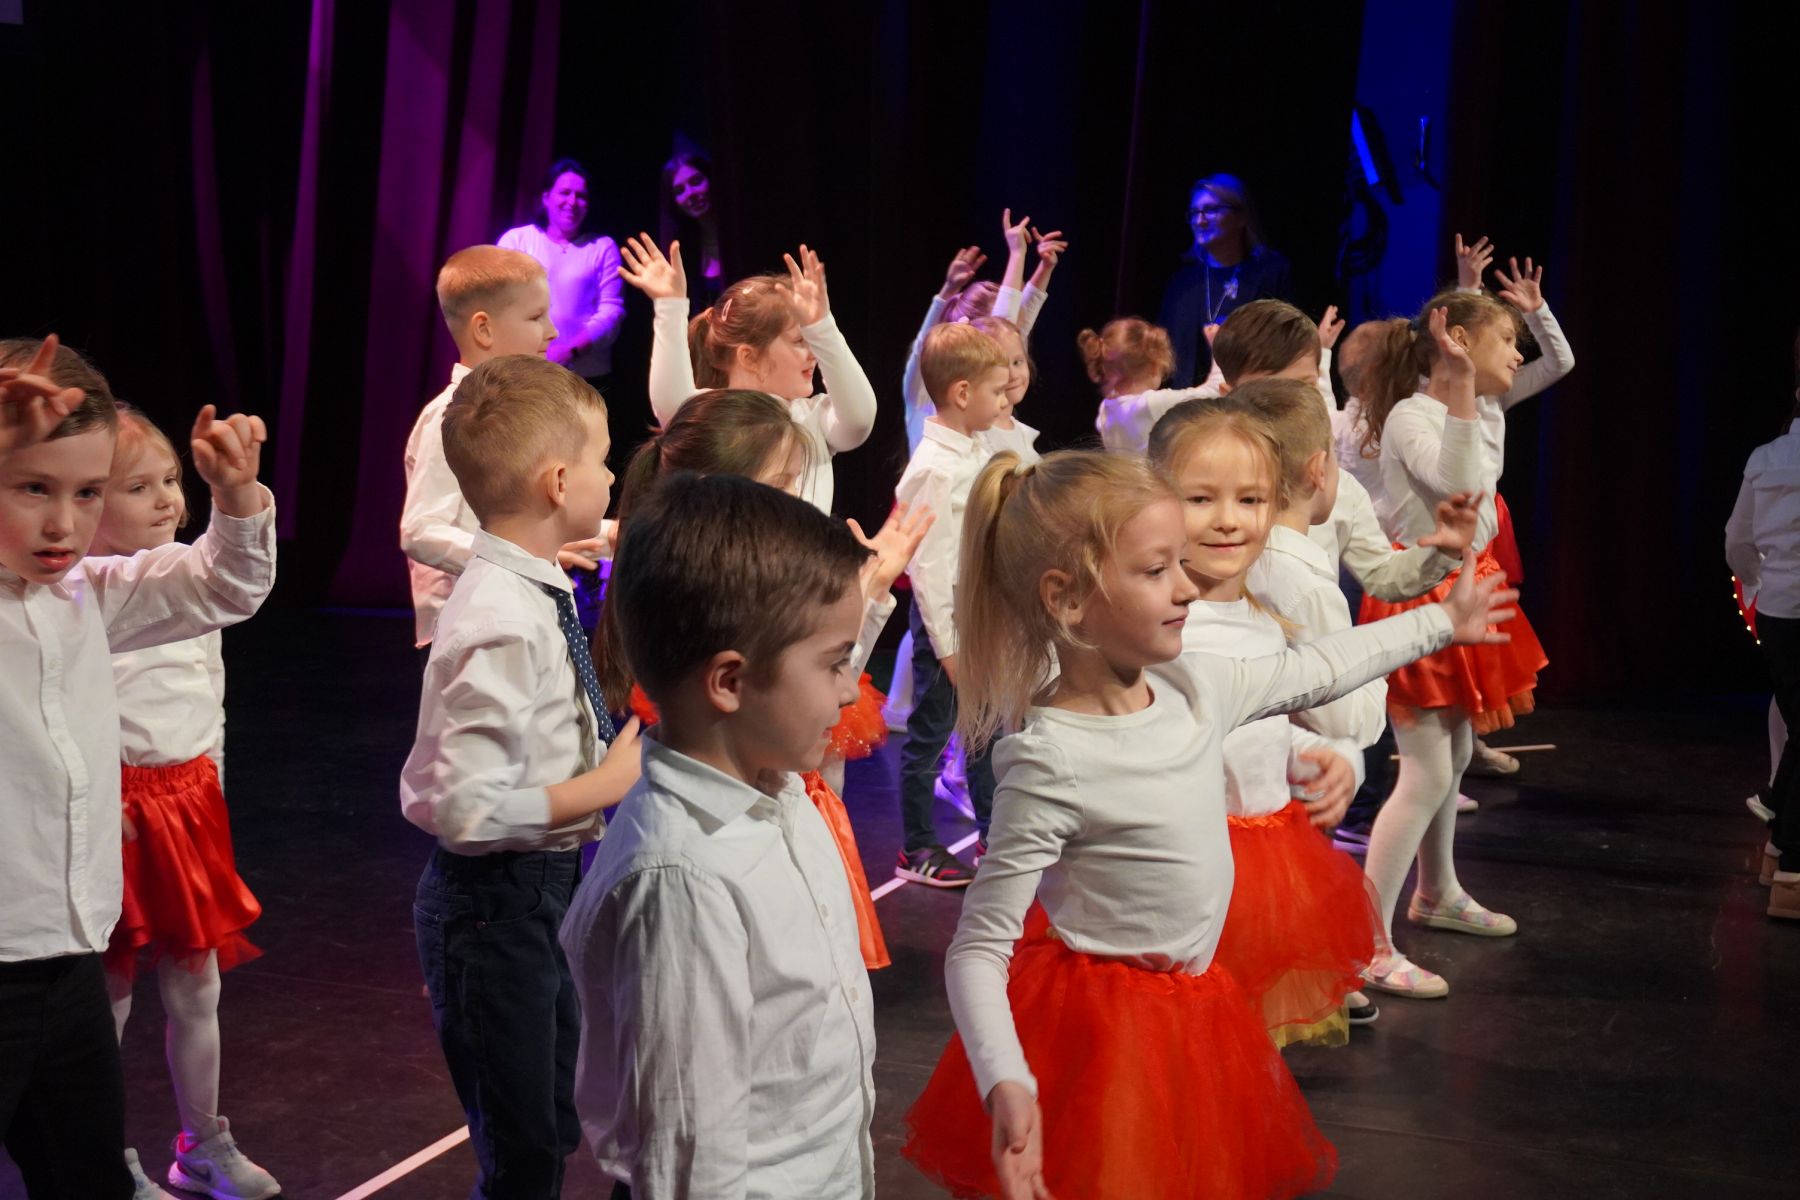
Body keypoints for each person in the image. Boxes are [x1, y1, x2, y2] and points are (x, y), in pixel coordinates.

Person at [899, 450, 1515, 1199]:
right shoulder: (1050, 759)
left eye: (1180, 564)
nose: (1189, 587)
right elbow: (978, 948)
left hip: (1196, 1011)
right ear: (1066, 598)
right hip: (1107, 1037)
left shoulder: (1195, 686)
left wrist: (1442, 621)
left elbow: (1324, 666)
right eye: (1156, 570)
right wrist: (1007, 1076)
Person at [1, 336, 276, 1200]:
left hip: (71, 952)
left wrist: (236, 496)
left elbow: (224, 586)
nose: (64, 523)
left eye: (86, 493)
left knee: (84, 1174)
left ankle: (197, 1143)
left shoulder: (90, 594)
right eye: (33, 489)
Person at [563, 473, 884, 1198]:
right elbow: (690, 1157)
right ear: (730, 682)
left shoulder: (782, 789)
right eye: (835, 663)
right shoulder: (683, 881)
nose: (848, 690)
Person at [400, 355, 644, 1197]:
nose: (611, 477)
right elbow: (468, 810)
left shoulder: (530, 583)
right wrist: (604, 784)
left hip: (540, 888)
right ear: (557, 483)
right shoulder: (500, 617)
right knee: (523, 1149)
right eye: (604, 460)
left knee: (550, 1118)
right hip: (493, 904)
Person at [592, 387, 936, 967]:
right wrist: (867, 596)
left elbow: (818, 680)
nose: (797, 500)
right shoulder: (717, 602)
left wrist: (871, 593)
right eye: (782, 484)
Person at [1146, 395, 1379, 1048]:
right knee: (1184, 1038)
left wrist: (1323, 753)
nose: (1228, 520)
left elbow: (1255, 724)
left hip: (1266, 868)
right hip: (1182, 872)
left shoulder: (1263, 617)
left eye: (1249, 500)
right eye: (1200, 499)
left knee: (1243, 1042)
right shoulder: (1156, 630)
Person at [93, 405, 280, 1200]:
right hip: (114, 816)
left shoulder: (181, 577)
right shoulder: (81, 591)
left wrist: (213, 790)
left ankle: (202, 1142)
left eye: (171, 480)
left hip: (189, 804)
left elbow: (209, 695)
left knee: (198, 986)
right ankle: (102, 1157)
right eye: (138, 487)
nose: (168, 499)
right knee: (106, 998)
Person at [1351, 296, 1550, 998]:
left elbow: (1482, 511)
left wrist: (1469, 392)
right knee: (1428, 772)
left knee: (1456, 755)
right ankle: (1367, 944)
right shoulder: (1414, 415)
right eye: (1507, 339)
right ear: (1459, 343)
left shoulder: (1466, 411)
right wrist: (1464, 384)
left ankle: (1436, 891)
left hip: (1461, 591)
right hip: (1422, 595)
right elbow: (1463, 493)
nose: (1518, 354)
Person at [400, 245, 607, 656]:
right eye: (535, 317)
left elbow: (527, 520)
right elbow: (420, 530)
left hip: (519, 617)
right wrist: (519, 558)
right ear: (484, 329)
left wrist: (613, 535)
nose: (553, 331)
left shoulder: (515, 415)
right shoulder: (454, 417)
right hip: (470, 626)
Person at [618, 235, 877, 515]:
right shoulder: (712, 417)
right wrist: (670, 306)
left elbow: (860, 418)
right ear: (749, 357)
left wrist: (822, 329)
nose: (814, 353)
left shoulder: (814, 418)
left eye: (813, 341)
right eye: (799, 341)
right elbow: (671, 404)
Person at [893, 324, 1011, 887]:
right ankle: (917, 845)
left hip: (978, 616)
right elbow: (930, 568)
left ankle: (993, 835)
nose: (1005, 401)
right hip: (947, 624)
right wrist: (949, 648)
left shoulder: (976, 448)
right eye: (997, 391)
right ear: (963, 393)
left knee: (987, 731)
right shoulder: (936, 468)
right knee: (932, 734)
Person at [1726, 382, 1800, 919]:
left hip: (1778, 611)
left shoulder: (1766, 457)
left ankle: (1777, 852)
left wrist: (1758, 584)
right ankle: (1791, 873)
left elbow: (1737, 540)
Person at [498, 158, 626, 386]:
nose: (572, 201)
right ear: (546, 197)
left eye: (581, 195)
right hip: (523, 369)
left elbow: (611, 312)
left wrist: (569, 350)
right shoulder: (517, 240)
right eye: (565, 193)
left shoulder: (603, 247)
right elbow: (500, 301)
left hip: (585, 376)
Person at [1158, 174, 1294, 387]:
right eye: (1194, 212)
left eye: (1210, 210)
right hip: (1187, 401)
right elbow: (1164, 354)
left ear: (1241, 217)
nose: (1200, 220)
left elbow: (1286, 344)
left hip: (1247, 397)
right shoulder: (1182, 284)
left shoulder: (1271, 274)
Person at [1081, 317, 1208, 456]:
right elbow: (1210, 394)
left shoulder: (1105, 408)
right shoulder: (1151, 403)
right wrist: (1217, 349)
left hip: (1120, 471)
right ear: (1154, 367)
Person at [658, 151, 726, 309]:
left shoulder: (738, 232)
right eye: (680, 191)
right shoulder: (684, 247)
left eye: (696, 182)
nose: (690, 194)